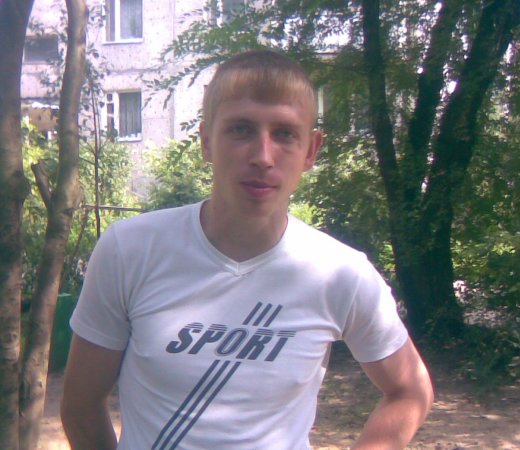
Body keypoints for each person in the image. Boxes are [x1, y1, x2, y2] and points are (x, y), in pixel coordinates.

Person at [61, 49, 433, 450]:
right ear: (207, 141)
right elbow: (81, 407)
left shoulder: (340, 273)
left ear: (310, 151)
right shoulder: (131, 250)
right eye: (241, 130)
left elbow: (410, 391)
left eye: (285, 134)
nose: (262, 157)